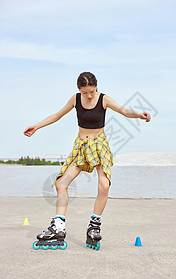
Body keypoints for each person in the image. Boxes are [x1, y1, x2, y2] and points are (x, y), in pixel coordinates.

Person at [23, 71, 151, 250]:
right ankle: (58, 226)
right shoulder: (75, 99)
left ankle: (94, 225)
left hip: (99, 145)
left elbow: (123, 110)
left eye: (92, 91)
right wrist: (36, 126)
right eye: (85, 92)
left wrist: (138, 115)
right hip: (81, 146)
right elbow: (57, 115)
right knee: (61, 183)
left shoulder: (104, 99)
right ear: (79, 90)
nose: (89, 96)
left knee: (104, 185)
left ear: (96, 87)